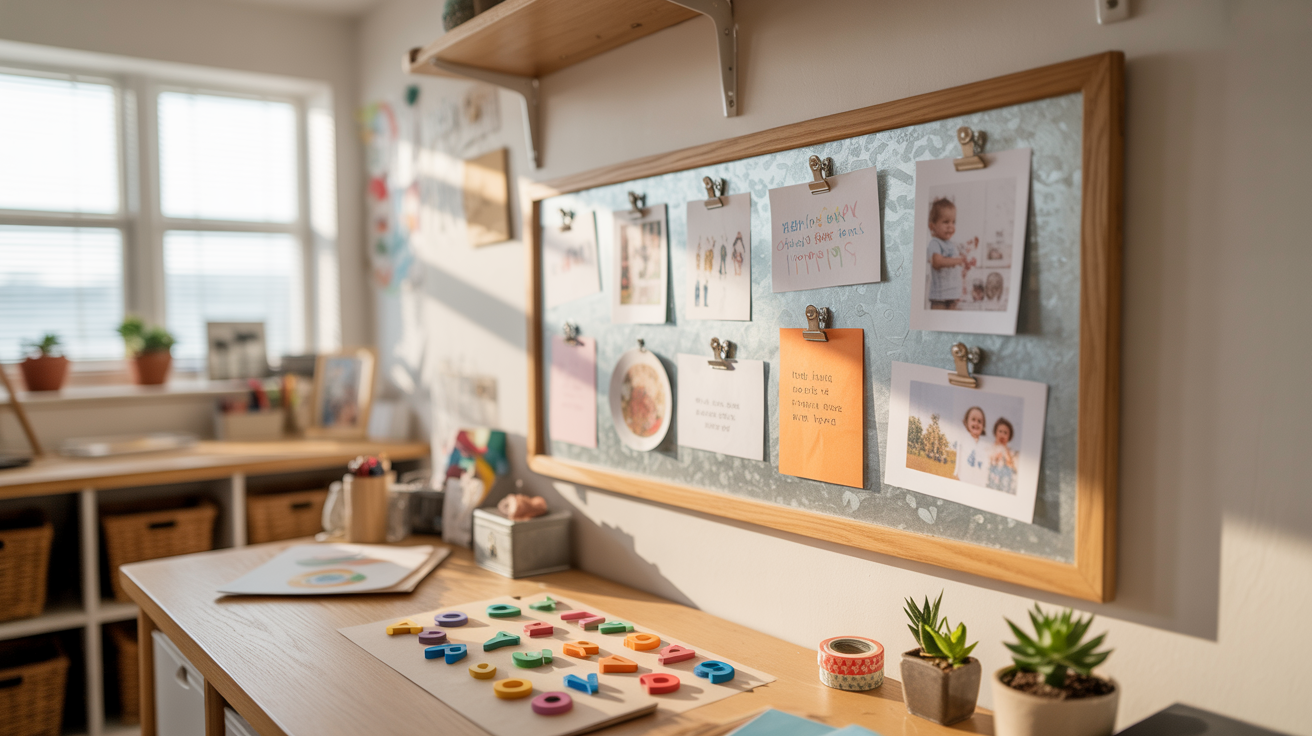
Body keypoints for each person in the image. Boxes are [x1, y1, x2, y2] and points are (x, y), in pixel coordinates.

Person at [926, 198, 977, 310]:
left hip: (954, 295)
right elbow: (937, 262)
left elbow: (956, 265)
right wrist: (958, 260)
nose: (950, 226)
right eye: (946, 222)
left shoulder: (952, 244)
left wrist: (966, 263)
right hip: (940, 297)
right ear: (932, 226)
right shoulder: (935, 243)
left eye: (953, 222)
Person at [953, 405, 990, 487]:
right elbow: (958, 461)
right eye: (973, 419)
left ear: (983, 425)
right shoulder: (962, 440)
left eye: (979, 421)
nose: (976, 423)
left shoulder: (985, 446)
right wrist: (957, 476)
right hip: (963, 481)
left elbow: (986, 466)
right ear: (966, 422)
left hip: (979, 484)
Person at [987, 417, 1018, 494]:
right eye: (1000, 431)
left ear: (1009, 436)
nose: (1002, 435)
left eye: (1005, 433)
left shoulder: (1011, 453)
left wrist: (1007, 455)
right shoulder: (989, 449)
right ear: (995, 432)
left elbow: (1013, 469)